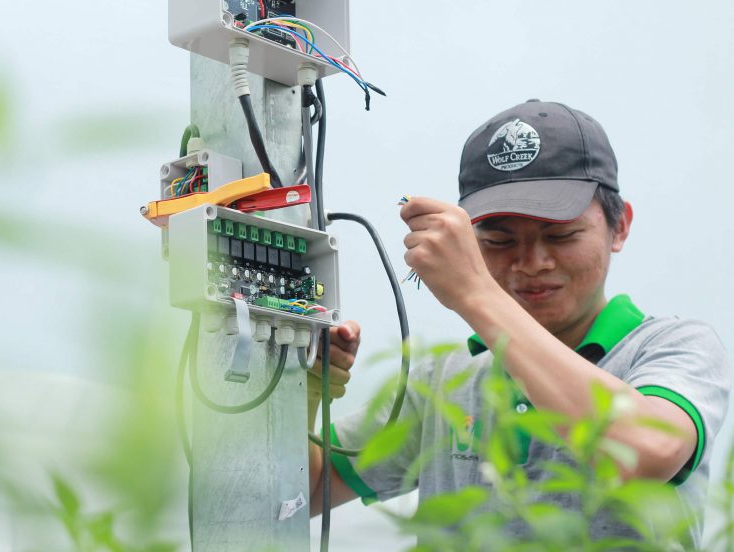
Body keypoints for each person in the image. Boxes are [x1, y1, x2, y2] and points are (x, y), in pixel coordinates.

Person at [306, 99, 730, 545]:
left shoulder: (675, 347)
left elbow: (643, 452)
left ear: (619, 226)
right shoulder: (444, 381)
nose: (532, 263)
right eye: (499, 240)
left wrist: (475, 294)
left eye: (561, 235)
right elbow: (303, 490)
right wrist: (310, 384)